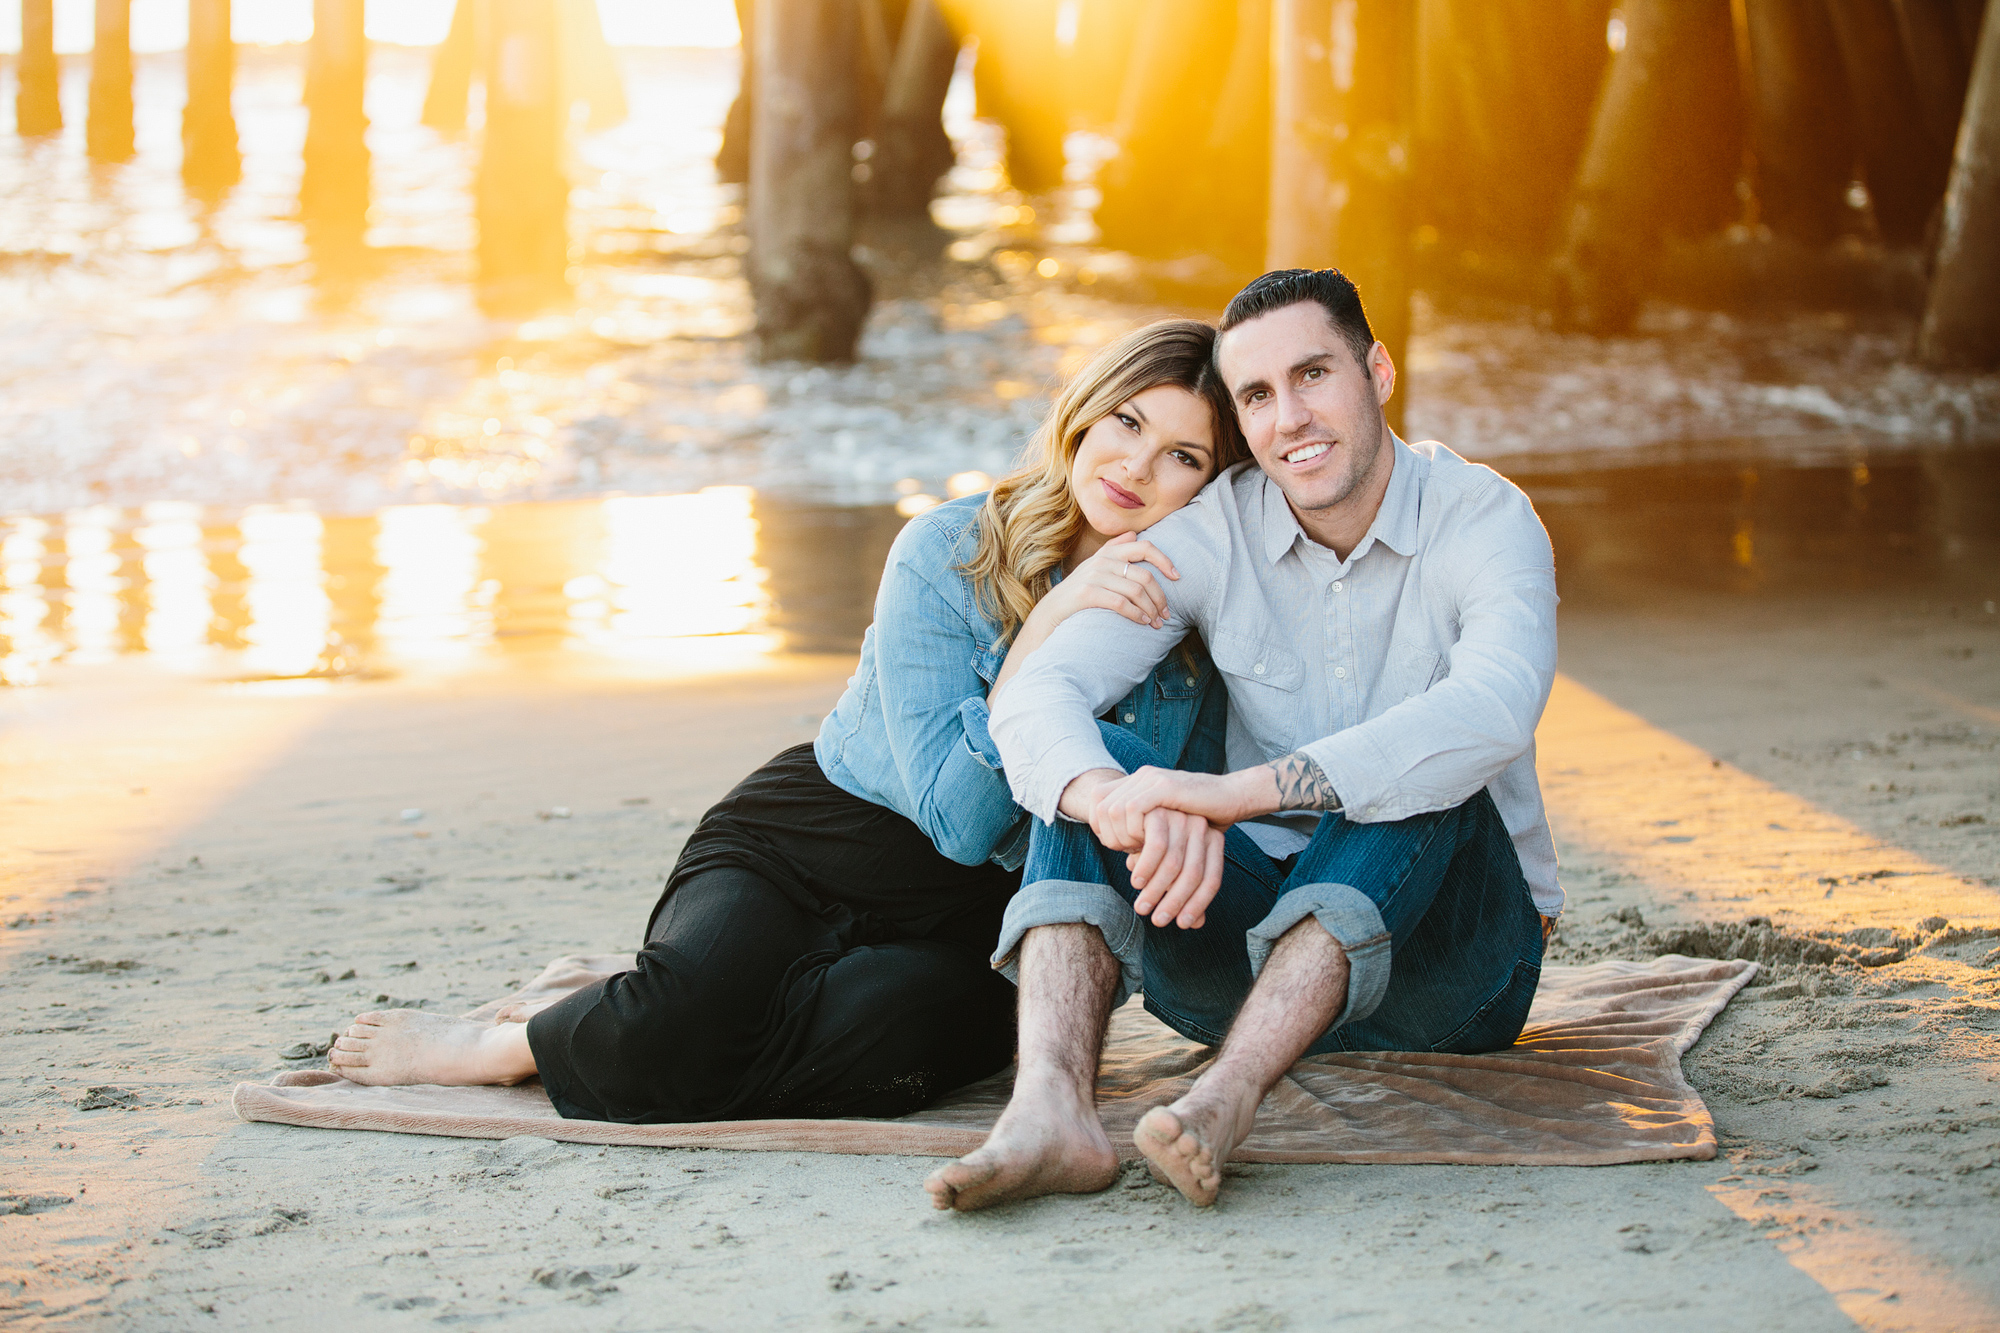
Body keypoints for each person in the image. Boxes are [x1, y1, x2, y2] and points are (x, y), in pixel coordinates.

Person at [327, 319, 1249, 1123]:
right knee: (677, 1023)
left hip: (970, 924)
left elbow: (1071, 847)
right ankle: (515, 1044)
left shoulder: (1184, 637)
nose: (1136, 466)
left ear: (1212, 489)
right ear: (1086, 413)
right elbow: (961, 820)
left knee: (898, 1046)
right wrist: (1046, 630)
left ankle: (674, 1017)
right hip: (810, 840)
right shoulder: (946, 550)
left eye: (1184, 456)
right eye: (1128, 422)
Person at [924, 268, 1562, 1212]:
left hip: (1449, 975)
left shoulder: (1484, 518)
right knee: (1096, 764)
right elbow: (1043, 691)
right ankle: (1049, 1113)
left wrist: (1237, 794)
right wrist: (1114, 798)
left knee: (1420, 774)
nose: (1290, 417)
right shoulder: (1217, 529)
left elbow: (1495, 706)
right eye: (1258, 396)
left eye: (1314, 375)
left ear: (1378, 370)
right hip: (1237, 970)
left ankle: (1224, 1102)